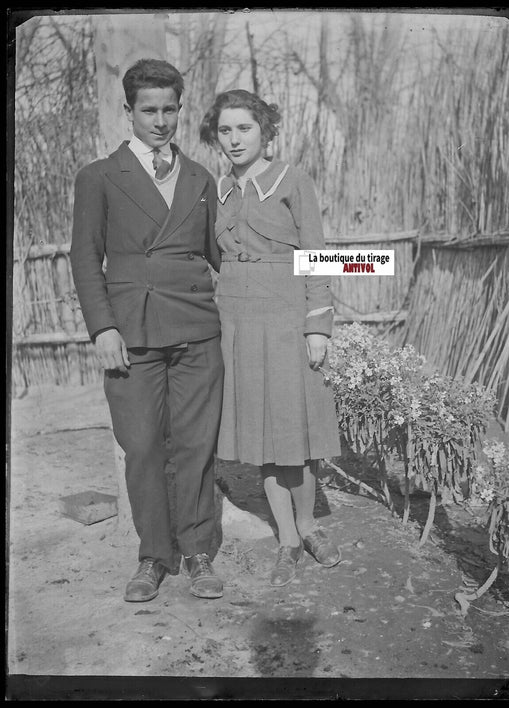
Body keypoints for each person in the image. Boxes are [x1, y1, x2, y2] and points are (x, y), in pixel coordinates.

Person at [70, 58, 224, 602]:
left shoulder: (203, 178)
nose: (160, 121)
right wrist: (101, 328)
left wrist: (348, 264)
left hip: (196, 332)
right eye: (148, 110)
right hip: (130, 334)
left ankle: (199, 552)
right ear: (129, 111)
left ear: (180, 110)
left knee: (196, 447)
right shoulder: (98, 177)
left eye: (169, 110)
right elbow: (86, 259)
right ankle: (154, 557)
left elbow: (229, 257)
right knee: (141, 448)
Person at [199, 89, 342, 587]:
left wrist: (318, 327)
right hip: (236, 322)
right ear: (215, 137)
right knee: (262, 438)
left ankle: (309, 527)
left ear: (265, 131)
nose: (235, 139)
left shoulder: (292, 180)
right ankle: (286, 538)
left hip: (285, 318)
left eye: (245, 128)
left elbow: (320, 256)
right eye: (225, 130)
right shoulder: (218, 190)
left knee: (294, 436)